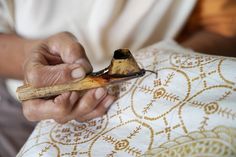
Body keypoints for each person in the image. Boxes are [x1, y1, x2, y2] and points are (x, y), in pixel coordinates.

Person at [0, 0, 235, 156]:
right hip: (17, 99)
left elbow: (223, 28)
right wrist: (29, 59)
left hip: (142, 83)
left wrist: (159, 58)